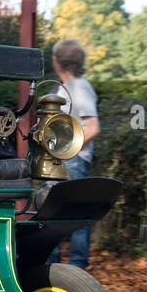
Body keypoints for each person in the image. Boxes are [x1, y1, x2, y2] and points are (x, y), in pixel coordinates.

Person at [46, 39, 100, 270]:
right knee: (49, 214)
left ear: (59, 62)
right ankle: (51, 268)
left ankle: (77, 269)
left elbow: (93, 127)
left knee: (75, 216)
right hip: (56, 159)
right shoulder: (60, 88)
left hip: (73, 159)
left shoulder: (80, 87)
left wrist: (69, 149)